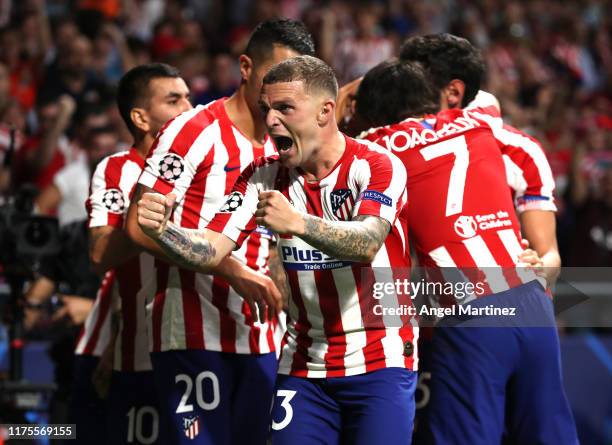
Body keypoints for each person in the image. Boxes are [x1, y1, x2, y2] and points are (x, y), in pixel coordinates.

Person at [137, 54, 418, 445]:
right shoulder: (263, 175)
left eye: (285, 108)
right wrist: (163, 231)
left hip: (380, 361)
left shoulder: (376, 165)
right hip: (303, 365)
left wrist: (298, 223)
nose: (270, 120)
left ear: (325, 112)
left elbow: (368, 242)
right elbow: (210, 249)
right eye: (267, 109)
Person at [356, 58, 578, 445]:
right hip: (531, 299)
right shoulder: (483, 123)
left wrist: (346, 98)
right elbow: (500, 118)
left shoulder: (374, 149)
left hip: (468, 308)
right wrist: (551, 256)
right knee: (550, 435)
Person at [125, 20, 315, 445]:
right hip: (194, 330)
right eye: (275, 77)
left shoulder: (286, 146)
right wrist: (230, 269)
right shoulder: (193, 130)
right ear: (245, 67)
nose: (283, 94)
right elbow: (138, 225)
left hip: (264, 337)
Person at [86, 63, 192, 445]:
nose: (189, 107)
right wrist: (142, 214)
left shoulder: (210, 161)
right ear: (140, 117)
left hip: (216, 348)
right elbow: (100, 254)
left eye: (188, 97)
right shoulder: (117, 170)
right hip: (142, 356)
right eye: (174, 99)